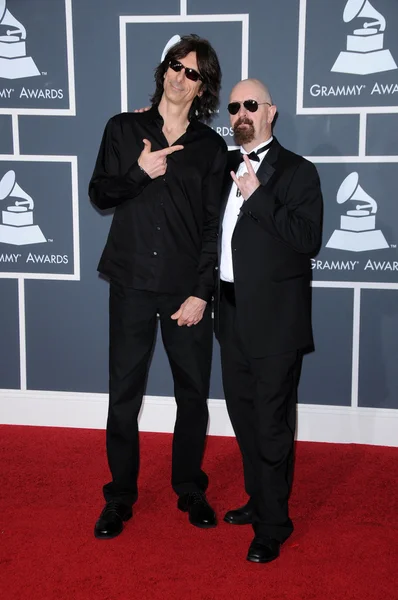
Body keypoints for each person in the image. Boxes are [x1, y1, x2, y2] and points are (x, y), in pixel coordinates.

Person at [89, 34, 227, 539]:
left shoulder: (211, 148)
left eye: (193, 73)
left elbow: (213, 227)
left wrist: (201, 292)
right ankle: (120, 497)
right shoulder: (123, 129)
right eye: (175, 65)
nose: (180, 76)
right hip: (130, 282)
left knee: (192, 395)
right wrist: (138, 173)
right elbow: (100, 192)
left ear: (202, 87)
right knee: (123, 395)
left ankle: (189, 487)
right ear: (163, 69)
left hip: (183, 292)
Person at [214, 79, 323, 563]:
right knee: (244, 418)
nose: (241, 113)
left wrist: (258, 194)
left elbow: (306, 239)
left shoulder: (299, 172)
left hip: (276, 321)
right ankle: (259, 500)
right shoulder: (222, 168)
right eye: (234, 106)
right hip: (231, 313)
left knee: (272, 423)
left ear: (271, 112)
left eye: (251, 105)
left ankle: (274, 524)